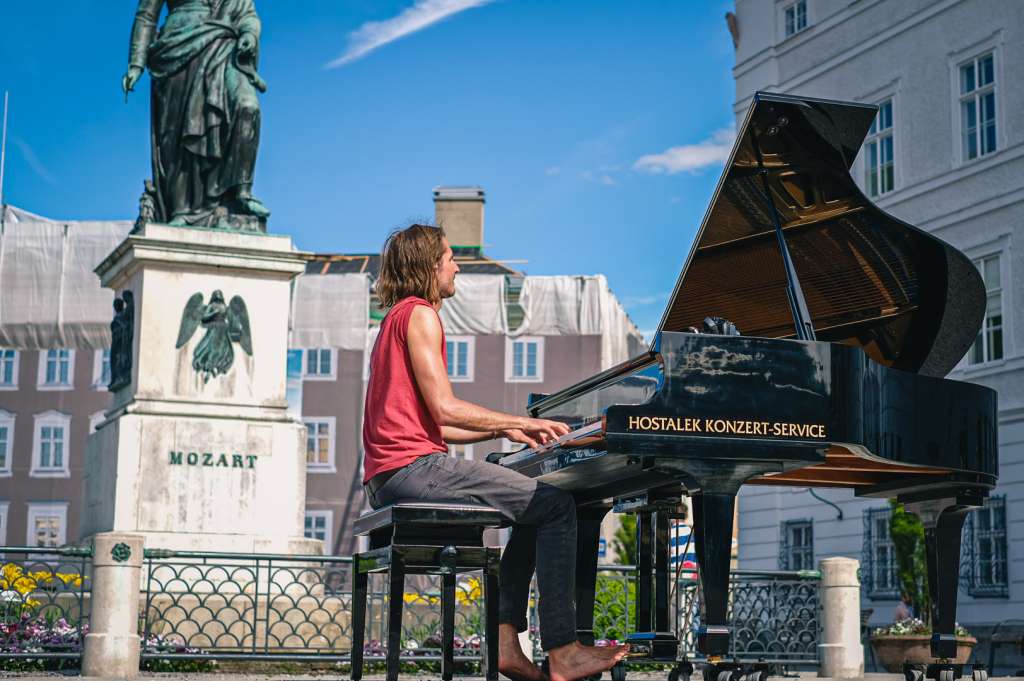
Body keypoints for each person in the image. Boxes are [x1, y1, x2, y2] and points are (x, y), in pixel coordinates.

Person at [362, 224, 629, 681]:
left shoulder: (393, 321)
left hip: (390, 475)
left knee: (534, 505)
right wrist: (520, 421)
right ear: (429, 265)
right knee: (558, 506)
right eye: (449, 258)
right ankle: (563, 650)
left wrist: (509, 435)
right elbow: (446, 406)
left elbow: (437, 424)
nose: (456, 266)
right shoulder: (421, 314)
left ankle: (507, 645)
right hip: (413, 469)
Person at [122, 0, 270, 227]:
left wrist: (249, 32)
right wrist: (136, 63)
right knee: (180, 134)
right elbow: (147, 16)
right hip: (177, 48)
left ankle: (240, 192)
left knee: (247, 107)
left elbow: (247, 12)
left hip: (224, 48)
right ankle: (182, 210)